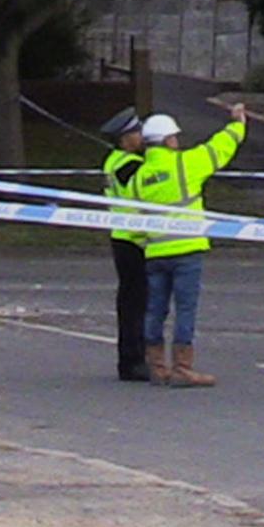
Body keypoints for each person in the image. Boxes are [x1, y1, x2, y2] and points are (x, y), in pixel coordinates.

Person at [131, 105, 248, 389]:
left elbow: (133, 224)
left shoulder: (138, 178)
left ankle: (157, 368)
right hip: (186, 252)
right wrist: (238, 124)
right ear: (169, 140)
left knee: (154, 310)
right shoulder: (186, 165)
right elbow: (219, 148)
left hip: (155, 253)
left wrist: (147, 243)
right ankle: (183, 368)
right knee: (185, 309)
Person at [98, 108, 151, 382]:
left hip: (124, 238)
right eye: (136, 133)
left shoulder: (116, 160)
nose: (141, 137)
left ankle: (132, 359)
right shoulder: (127, 165)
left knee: (132, 301)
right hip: (132, 241)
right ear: (124, 138)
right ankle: (133, 361)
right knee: (134, 304)